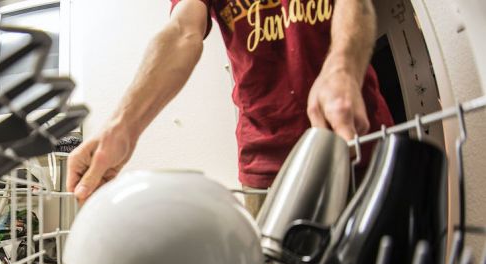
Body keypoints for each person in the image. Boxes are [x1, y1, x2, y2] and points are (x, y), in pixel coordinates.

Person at [66, 0, 393, 211]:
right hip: (265, 163)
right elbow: (182, 32)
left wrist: (341, 67)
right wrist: (122, 127)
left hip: (355, 139)